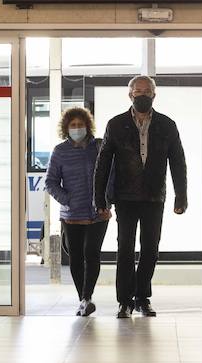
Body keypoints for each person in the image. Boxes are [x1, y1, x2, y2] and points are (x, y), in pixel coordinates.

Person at [94, 75, 187, 319]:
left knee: (150, 250)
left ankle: (142, 298)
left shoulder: (167, 125)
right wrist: (99, 198)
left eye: (147, 91)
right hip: (124, 197)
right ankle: (124, 301)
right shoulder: (115, 124)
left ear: (154, 95)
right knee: (125, 248)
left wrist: (181, 196)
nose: (142, 94)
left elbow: (178, 162)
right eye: (138, 91)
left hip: (154, 197)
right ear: (130, 95)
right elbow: (102, 163)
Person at [45, 106, 110, 317]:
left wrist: (107, 202)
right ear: (66, 128)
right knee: (75, 257)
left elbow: (112, 175)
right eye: (73, 125)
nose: (77, 128)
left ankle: (87, 296)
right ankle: (83, 299)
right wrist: (67, 200)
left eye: (80, 124)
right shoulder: (60, 151)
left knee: (92, 253)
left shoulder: (99, 147)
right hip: (71, 215)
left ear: (87, 125)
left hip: (98, 212)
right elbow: (50, 182)